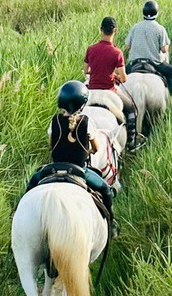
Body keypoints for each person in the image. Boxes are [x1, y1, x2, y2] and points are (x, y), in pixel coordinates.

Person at [27, 80, 115, 217]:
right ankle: (111, 220)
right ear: (82, 104)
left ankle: (16, 212)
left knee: (32, 182)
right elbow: (96, 148)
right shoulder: (87, 121)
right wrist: (88, 151)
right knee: (105, 189)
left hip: (54, 167)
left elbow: (52, 145)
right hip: (80, 169)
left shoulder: (54, 121)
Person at [85, 16, 141, 150]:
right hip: (109, 91)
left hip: (91, 91)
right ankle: (131, 142)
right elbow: (123, 78)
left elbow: (86, 70)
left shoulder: (91, 49)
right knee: (131, 109)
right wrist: (114, 75)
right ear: (115, 31)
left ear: (100, 30)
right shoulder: (117, 52)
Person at [125, 0, 172, 93]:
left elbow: (127, 47)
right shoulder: (160, 29)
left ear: (143, 12)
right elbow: (163, 50)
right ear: (156, 13)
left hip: (134, 62)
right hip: (154, 63)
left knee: (119, 78)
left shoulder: (135, 27)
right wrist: (168, 44)